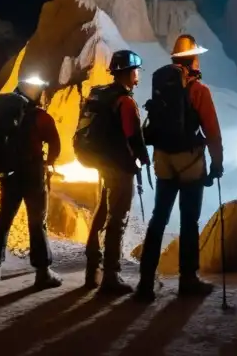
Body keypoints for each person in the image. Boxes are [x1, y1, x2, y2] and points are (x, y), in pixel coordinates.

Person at [135, 34, 224, 302]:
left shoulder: (162, 84)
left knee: (158, 218)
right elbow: (212, 132)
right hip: (189, 161)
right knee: (189, 221)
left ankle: (146, 283)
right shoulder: (199, 90)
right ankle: (188, 280)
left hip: (163, 159)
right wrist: (217, 164)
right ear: (193, 59)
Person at [0, 75, 62, 290]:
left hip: (10, 172)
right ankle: (43, 272)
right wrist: (49, 162)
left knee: (4, 219)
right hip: (32, 172)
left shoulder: (4, 111)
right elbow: (55, 143)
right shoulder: (40, 116)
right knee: (37, 221)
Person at [83, 49, 150, 295]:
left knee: (102, 211)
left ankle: (92, 269)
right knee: (117, 218)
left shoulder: (102, 96)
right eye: (136, 70)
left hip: (103, 164)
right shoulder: (125, 101)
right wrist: (143, 159)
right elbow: (133, 136)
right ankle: (111, 275)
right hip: (120, 166)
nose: (138, 75)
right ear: (129, 72)